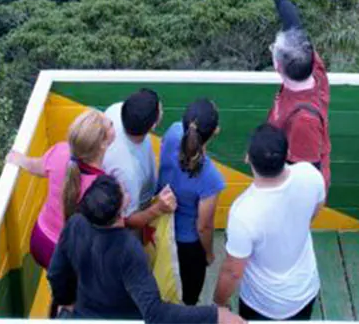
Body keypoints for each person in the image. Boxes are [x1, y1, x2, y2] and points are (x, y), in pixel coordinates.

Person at [49, 174, 243, 324]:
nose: (126, 190)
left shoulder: (75, 223)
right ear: (119, 212)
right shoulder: (127, 249)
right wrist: (214, 314)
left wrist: (65, 301)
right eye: (123, 192)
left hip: (84, 314)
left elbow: (56, 272)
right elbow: (155, 313)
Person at [213, 125, 326, 321]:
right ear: (287, 153)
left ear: (248, 158)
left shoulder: (243, 213)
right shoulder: (311, 175)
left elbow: (233, 271)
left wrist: (218, 305)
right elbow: (314, 210)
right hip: (305, 292)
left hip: (262, 305)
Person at [246, 0, 330, 186]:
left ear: (278, 68)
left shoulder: (304, 121)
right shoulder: (313, 69)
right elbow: (294, 24)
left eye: (274, 48)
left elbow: (307, 177)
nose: (272, 47)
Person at [6, 108, 114, 269]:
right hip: (69, 256)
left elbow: (36, 167)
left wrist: (20, 160)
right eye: (111, 124)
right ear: (103, 144)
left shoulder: (60, 151)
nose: (113, 124)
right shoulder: (102, 186)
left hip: (40, 241)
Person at [158, 98, 227, 304]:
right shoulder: (210, 177)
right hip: (187, 244)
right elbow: (204, 227)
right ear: (215, 131)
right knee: (188, 297)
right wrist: (208, 254)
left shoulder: (172, 132)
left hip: (160, 227)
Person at [104, 88, 177, 234]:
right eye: (159, 109)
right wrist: (157, 209)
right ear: (152, 126)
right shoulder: (128, 171)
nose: (161, 107)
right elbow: (128, 220)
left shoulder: (115, 111)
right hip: (136, 206)